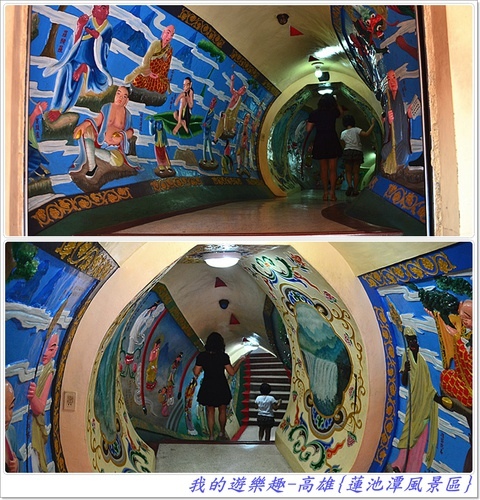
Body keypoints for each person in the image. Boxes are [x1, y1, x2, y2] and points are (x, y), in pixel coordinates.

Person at [44, 5, 113, 122]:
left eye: (107, 8)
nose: (106, 12)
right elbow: (74, 42)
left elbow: (105, 50)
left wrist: (98, 38)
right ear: (94, 10)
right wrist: (80, 27)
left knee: (80, 76)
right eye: (103, 8)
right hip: (76, 59)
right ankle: (55, 106)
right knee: (65, 68)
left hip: (93, 65)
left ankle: (63, 108)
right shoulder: (87, 22)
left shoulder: (108, 28)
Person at [391, 328, 438, 472]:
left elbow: (428, 384)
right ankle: (400, 464)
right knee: (408, 432)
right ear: (406, 340)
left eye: (413, 339)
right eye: (409, 339)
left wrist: (435, 396)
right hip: (414, 402)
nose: (411, 342)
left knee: (421, 435)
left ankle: (413, 468)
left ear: (416, 340)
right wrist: (405, 370)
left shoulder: (422, 361)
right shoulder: (407, 356)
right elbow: (404, 381)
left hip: (424, 403)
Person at [72, 86, 140, 178]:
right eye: (118, 94)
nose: (120, 98)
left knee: (118, 161)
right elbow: (98, 120)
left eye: (124, 96)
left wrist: (122, 136)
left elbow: (130, 131)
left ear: (126, 101)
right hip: (101, 141)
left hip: (114, 148)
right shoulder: (107, 107)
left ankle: (91, 151)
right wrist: (84, 124)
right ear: (114, 94)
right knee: (88, 130)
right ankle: (92, 166)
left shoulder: (127, 114)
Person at [193, 332, 245, 440]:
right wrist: (240, 361)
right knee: (222, 410)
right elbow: (231, 372)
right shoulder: (223, 356)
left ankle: (211, 435)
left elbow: (196, 372)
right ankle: (222, 432)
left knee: (210, 411)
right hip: (221, 385)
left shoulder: (202, 356)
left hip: (208, 385)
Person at [27, 333, 59, 472]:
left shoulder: (48, 372)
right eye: (44, 347)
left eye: (50, 349)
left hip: (36, 427)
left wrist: (32, 397)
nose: (45, 353)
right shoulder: (38, 369)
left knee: (36, 461)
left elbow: (39, 408)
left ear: (55, 351)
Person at [303, 94, 343, 201]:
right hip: (332, 139)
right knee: (333, 169)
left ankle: (325, 193)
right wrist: (336, 103)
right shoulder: (333, 112)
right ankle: (332, 193)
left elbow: (308, 129)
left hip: (320, 140)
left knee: (323, 169)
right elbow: (341, 114)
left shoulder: (314, 113)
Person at [125, 24, 175, 95]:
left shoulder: (169, 50)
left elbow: (166, 67)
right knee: (137, 81)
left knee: (162, 88)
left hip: (158, 76)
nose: (169, 36)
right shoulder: (155, 44)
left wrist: (159, 75)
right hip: (147, 71)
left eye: (172, 35)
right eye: (168, 33)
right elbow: (146, 59)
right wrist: (149, 73)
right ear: (163, 33)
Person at [340, 115, 375, 196]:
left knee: (348, 171)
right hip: (357, 151)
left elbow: (343, 144)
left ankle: (350, 186)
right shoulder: (356, 130)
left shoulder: (343, 133)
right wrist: (372, 125)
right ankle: (355, 190)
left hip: (347, 152)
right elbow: (366, 134)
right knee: (356, 172)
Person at [213, 74, 247, 142]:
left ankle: (225, 134)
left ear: (243, 93)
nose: (241, 90)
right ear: (240, 89)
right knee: (221, 123)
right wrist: (232, 80)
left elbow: (236, 110)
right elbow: (231, 89)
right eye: (241, 89)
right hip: (228, 111)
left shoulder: (240, 99)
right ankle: (215, 138)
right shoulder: (235, 93)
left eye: (243, 90)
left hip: (232, 115)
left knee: (230, 125)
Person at [5, 381, 22, 473]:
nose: (7, 418)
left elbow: (19, 458)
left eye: (11, 408)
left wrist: (16, 466)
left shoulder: (10, 431)